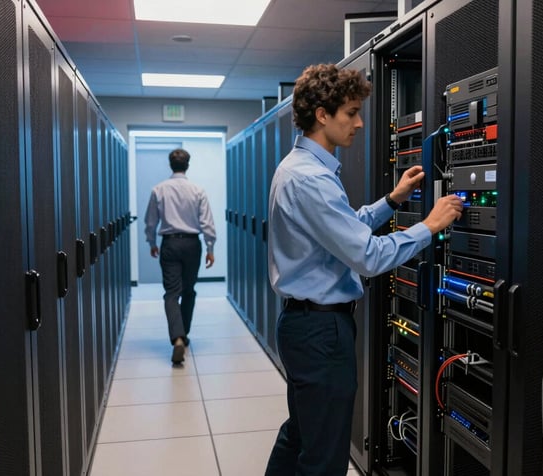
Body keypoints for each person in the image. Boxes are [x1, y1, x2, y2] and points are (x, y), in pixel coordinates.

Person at [265, 63, 464, 475]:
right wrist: (429, 227)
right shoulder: (311, 180)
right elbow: (367, 257)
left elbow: (340, 229)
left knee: (302, 434)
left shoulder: (301, 169)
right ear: (322, 114)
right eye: (351, 112)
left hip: (304, 326)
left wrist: (391, 200)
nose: (358, 123)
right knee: (324, 457)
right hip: (320, 334)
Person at [144, 148, 216, 365]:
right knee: (189, 290)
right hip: (192, 244)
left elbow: (150, 222)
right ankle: (183, 336)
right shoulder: (198, 190)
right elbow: (207, 223)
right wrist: (210, 248)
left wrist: (152, 243)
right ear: (187, 165)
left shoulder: (159, 189)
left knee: (171, 293)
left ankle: (177, 336)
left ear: (170, 165)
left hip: (170, 244)